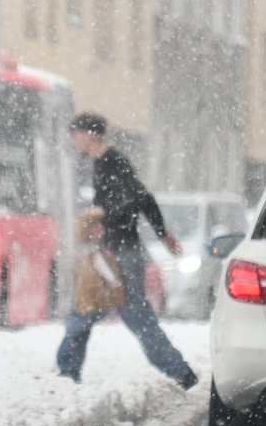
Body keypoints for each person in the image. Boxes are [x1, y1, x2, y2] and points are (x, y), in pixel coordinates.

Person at [56, 111, 199, 390]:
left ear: (90, 135)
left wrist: (102, 217)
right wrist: (162, 233)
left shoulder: (112, 162)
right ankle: (68, 372)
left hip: (120, 253)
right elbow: (143, 199)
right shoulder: (104, 163)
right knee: (87, 309)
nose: (73, 141)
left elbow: (135, 200)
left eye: (75, 135)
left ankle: (179, 371)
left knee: (125, 313)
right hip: (113, 251)